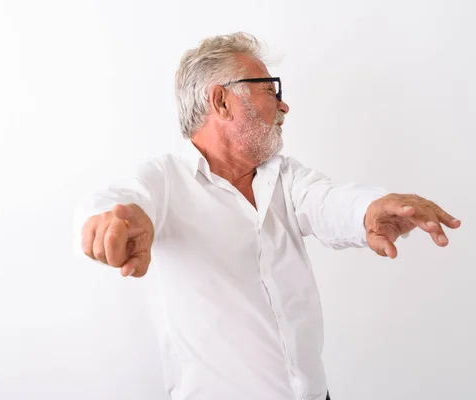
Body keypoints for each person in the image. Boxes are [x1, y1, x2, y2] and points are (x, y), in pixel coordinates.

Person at [76, 32, 461, 400]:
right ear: (221, 101)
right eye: (269, 89)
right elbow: (115, 204)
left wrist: (369, 210)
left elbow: (329, 201)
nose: (283, 104)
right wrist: (110, 224)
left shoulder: (285, 176)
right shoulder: (164, 180)